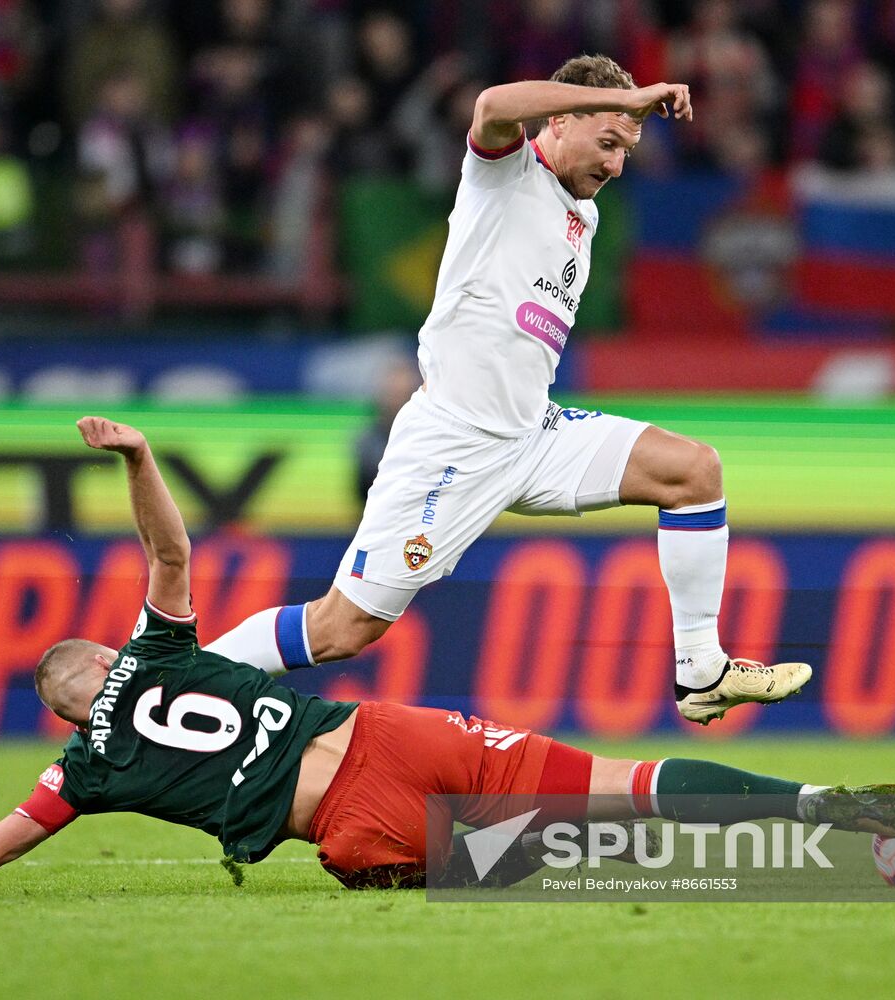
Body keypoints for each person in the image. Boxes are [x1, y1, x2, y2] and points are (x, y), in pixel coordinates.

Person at [0, 419, 895, 897]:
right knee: (617, 780)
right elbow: (168, 549)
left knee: (578, 846)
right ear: (107, 654)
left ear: (65, 713)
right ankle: (815, 806)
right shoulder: (160, 646)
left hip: (347, 824)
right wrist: (133, 455)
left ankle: (654, 861)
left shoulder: (80, 769)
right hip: (386, 732)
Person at [204, 53, 810, 725]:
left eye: (626, 152)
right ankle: (175, 681)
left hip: (531, 434)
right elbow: (491, 105)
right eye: (607, 141)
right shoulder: (505, 173)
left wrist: (621, 112)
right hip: (453, 442)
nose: (614, 164)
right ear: (560, 117)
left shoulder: (585, 215)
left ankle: (701, 671)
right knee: (340, 630)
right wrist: (633, 94)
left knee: (692, 470)